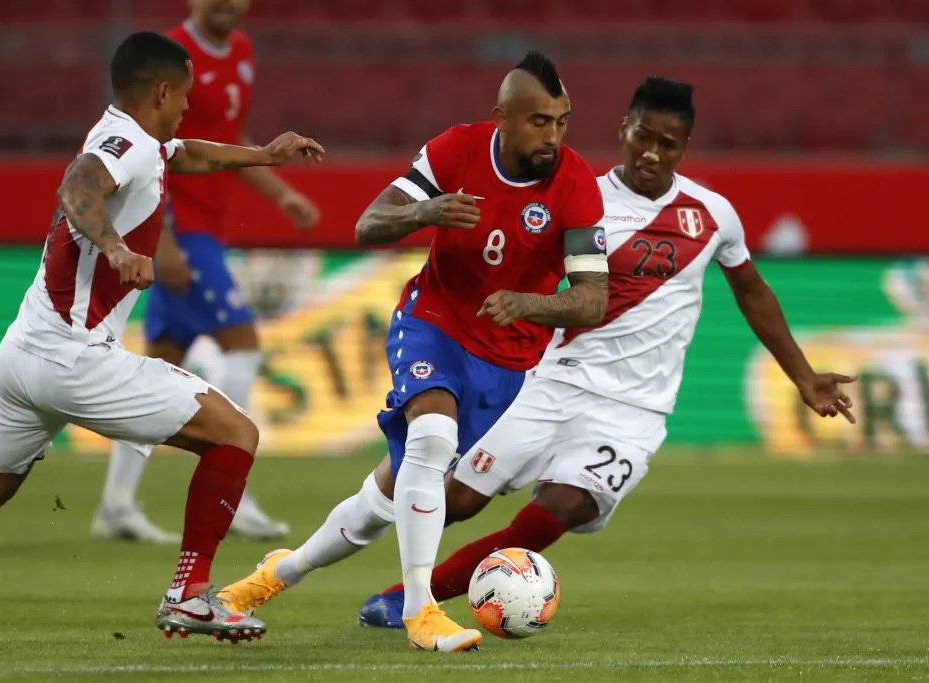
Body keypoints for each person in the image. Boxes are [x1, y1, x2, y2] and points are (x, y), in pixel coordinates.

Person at [357, 76, 858, 629]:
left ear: (683, 148)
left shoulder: (713, 215)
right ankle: (338, 538)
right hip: (552, 382)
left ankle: (408, 599)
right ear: (623, 129)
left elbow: (753, 291)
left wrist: (804, 376)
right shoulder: (580, 197)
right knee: (455, 498)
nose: (651, 153)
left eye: (668, 145)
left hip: (634, 413)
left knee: (557, 512)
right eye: (643, 136)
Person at [0, 32, 324, 644]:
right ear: (161, 90)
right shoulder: (121, 145)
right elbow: (78, 187)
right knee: (236, 432)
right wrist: (116, 246)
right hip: (73, 358)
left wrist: (262, 155)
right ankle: (191, 595)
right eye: (183, 95)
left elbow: (185, 154)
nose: (187, 107)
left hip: (24, 352)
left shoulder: (136, 138)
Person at [217, 51, 610, 652]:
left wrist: (530, 305)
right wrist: (426, 212)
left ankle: (276, 574)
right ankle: (421, 610)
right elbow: (368, 224)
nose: (553, 136)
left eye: (563, 121)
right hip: (432, 322)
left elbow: (591, 299)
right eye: (540, 122)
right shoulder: (455, 149)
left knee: (383, 499)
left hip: (505, 361)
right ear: (501, 117)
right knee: (431, 439)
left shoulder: (575, 182)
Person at [93, 0, 319, 544]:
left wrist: (281, 191)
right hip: (184, 234)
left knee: (160, 361)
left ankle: (117, 503)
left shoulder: (241, 53)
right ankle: (230, 488)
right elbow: (158, 152)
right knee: (242, 344)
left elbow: (222, 148)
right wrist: (163, 236)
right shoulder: (169, 55)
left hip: (205, 232)